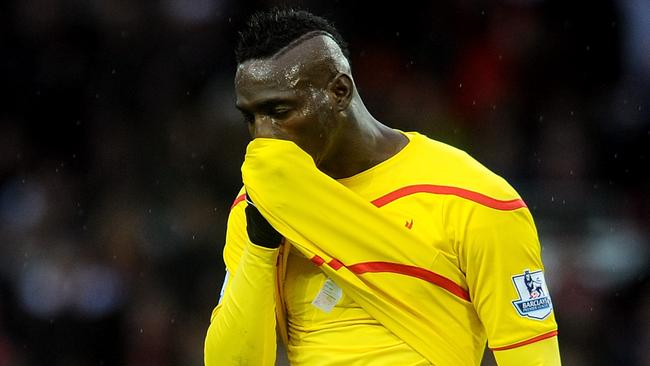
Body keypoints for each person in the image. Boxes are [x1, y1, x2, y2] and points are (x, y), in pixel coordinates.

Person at [204, 8, 561, 366]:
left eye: (280, 111)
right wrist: (260, 246)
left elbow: (533, 358)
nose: (263, 136)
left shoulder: (476, 199)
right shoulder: (257, 207)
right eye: (251, 117)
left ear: (339, 91)